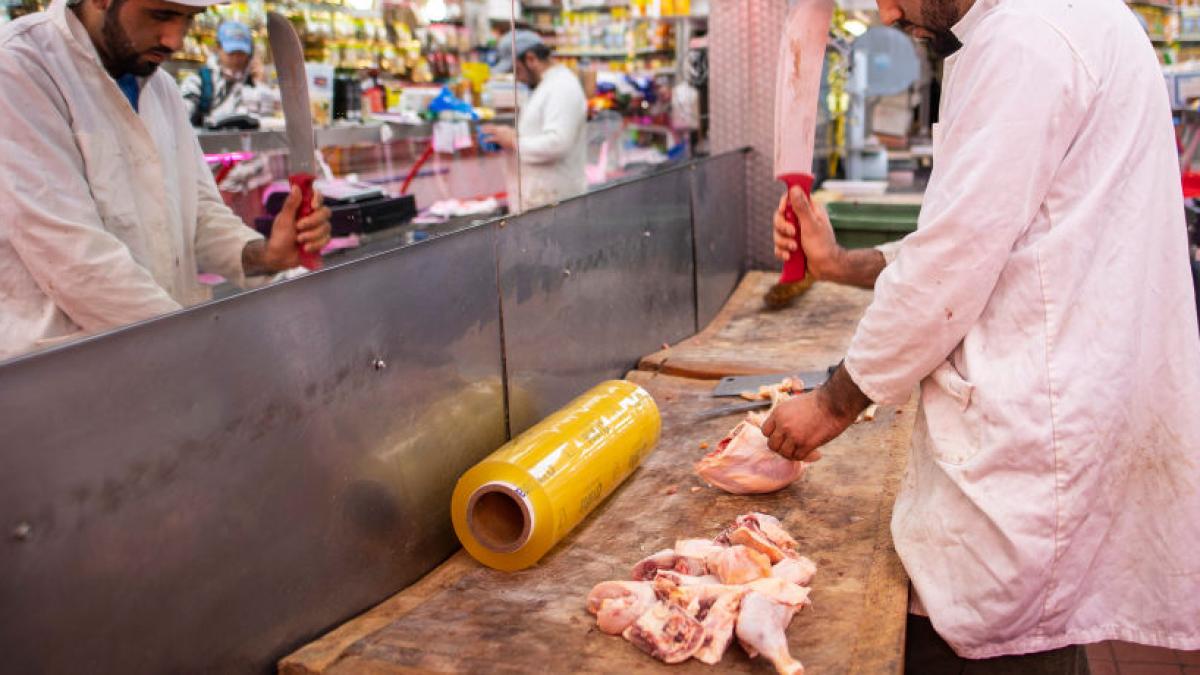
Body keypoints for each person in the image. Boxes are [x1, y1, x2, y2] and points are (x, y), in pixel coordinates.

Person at [765, 0, 1200, 671]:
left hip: (1040, 428)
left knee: (1008, 638)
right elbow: (980, 237)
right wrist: (834, 263)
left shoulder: (1027, 41)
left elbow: (955, 261)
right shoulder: (1038, 24)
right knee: (1044, 628)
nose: (885, 12)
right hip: (1065, 404)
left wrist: (831, 404)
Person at [0, 0, 331, 361]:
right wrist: (201, 350)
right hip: (65, 373)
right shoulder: (18, 67)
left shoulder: (161, 88)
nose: (175, 40)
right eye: (160, 14)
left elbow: (200, 212)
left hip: (165, 354)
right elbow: (74, 259)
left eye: (189, 20)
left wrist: (264, 255)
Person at [481, 30, 587, 211]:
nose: (517, 77)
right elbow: (540, 133)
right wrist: (512, 136)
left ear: (531, 59)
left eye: (517, 69)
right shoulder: (545, 86)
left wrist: (514, 141)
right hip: (542, 203)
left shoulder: (561, 87)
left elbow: (558, 143)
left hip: (555, 203)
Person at [180, 20, 266, 128]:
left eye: (241, 53)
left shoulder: (253, 84)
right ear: (218, 48)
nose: (236, 59)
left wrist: (259, 84)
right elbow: (180, 120)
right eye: (231, 53)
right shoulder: (197, 82)